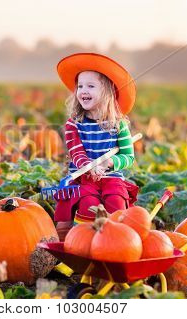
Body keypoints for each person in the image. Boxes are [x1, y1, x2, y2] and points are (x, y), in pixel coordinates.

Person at [53, 53, 139, 241]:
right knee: (87, 203)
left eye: (90, 86)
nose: (83, 90)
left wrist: (109, 162)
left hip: (111, 178)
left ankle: (115, 242)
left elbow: (128, 156)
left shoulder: (119, 124)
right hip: (84, 177)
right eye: (80, 86)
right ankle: (82, 243)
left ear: (107, 92)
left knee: (116, 203)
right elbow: (76, 152)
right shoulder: (74, 124)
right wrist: (89, 166)